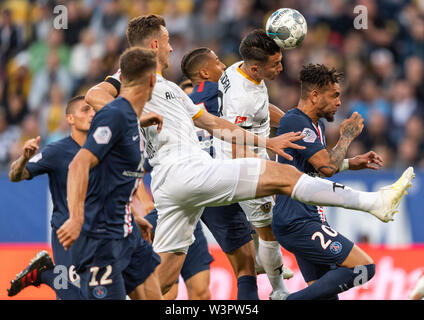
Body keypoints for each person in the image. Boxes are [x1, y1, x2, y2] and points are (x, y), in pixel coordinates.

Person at [84, 14, 414, 296]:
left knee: (165, 276)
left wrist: (266, 143)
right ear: (154, 45)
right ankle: (374, 203)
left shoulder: (169, 88)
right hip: (186, 170)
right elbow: (94, 95)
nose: (171, 47)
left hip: (173, 187)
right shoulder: (131, 78)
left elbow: (214, 123)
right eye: (167, 41)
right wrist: (129, 115)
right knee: (284, 177)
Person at [273, 63, 413, 300]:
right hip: (298, 221)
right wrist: (346, 137)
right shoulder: (295, 121)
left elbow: (315, 168)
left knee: (325, 296)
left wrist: (349, 162)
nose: (339, 102)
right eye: (334, 95)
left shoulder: (314, 124)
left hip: (305, 218)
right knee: (363, 268)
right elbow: (326, 166)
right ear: (315, 95)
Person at [181, 47, 293, 300]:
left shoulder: (183, 103)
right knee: (248, 264)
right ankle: (276, 283)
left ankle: (268, 260)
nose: (223, 66)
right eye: (218, 62)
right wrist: (289, 122)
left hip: (195, 185)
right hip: (224, 174)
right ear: (204, 72)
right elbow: (256, 113)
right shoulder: (221, 88)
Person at [57, 47, 164, 300]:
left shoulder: (131, 118)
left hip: (127, 232)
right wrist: (75, 218)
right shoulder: (115, 115)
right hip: (99, 239)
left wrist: (131, 215)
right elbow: (79, 165)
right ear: (152, 80)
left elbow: (112, 174)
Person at [214, 30, 292, 299]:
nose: (281, 68)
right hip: (242, 163)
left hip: (253, 152)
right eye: (276, 65)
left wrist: (292, 123)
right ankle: (279, 291)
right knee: (269, 229)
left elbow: (261, 108)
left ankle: (264, 259)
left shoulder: (240, 68)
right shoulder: (240, 97)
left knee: (266, 226)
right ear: (257, 67)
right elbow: (238, 146)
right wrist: (256, 182)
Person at [7, 96, 95, 299]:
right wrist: (24, 159)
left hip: (97, 234)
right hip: (67, 236)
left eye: (93, 110)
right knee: (72, 295)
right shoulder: (58, 150)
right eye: (85, 110)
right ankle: (45, 273)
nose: (92, 113)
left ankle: (44, 272)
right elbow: (15, 175)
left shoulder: (101, 149)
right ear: (70, 119)